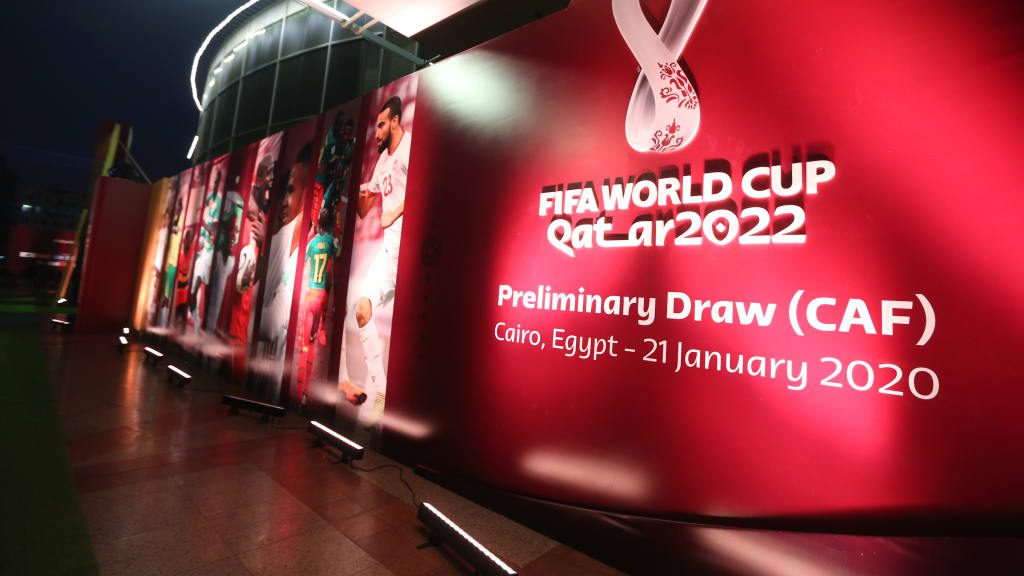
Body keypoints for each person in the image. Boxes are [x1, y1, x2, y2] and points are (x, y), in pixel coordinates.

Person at [340, 96, 410, 428]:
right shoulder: (382, 161)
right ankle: (380, 390)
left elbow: (426, 187)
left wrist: (394, 212)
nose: (377, 132)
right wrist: (357, 191)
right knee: (360, 310)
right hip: (389, 254)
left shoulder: (411, 149)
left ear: (395, 121)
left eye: (381, 125)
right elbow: (364, 210)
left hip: (412, 253)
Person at [256, 142, 312, 397]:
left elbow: (269, 324)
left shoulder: (310, 247)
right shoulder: (279, 240)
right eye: (286, 191)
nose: (284, 203)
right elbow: (265, 325)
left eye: (291, 191)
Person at [296, 209, 341, 395]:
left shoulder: (313, 242)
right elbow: (338, 254)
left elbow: (303, 260)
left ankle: (299, 392)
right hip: (322, 295)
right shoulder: (331, 241)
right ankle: (306, 393)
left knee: (305, 344)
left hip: (311, 294)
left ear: (319, 225)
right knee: (313, 341)